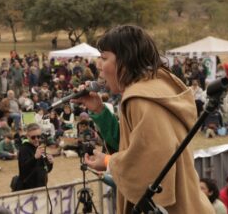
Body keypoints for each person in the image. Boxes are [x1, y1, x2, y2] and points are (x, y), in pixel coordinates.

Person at [73, 25, 214, 213]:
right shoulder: (157, 86)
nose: (98, 65)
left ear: (126, 60)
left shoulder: (140, 98)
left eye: (104, 58)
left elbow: (151, 162)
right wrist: (99, 110)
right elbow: (133, 144)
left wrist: (108, 161)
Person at [15, 123, 54, 191]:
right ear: (27, 136)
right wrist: (35, 158)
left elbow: (47, 169)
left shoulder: (39, 148)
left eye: (38, 136)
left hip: (41, 188)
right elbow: (24, 169)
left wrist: (50, 162)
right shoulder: (24, 149)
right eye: (33, 137)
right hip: (27, 190)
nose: (36, 139)